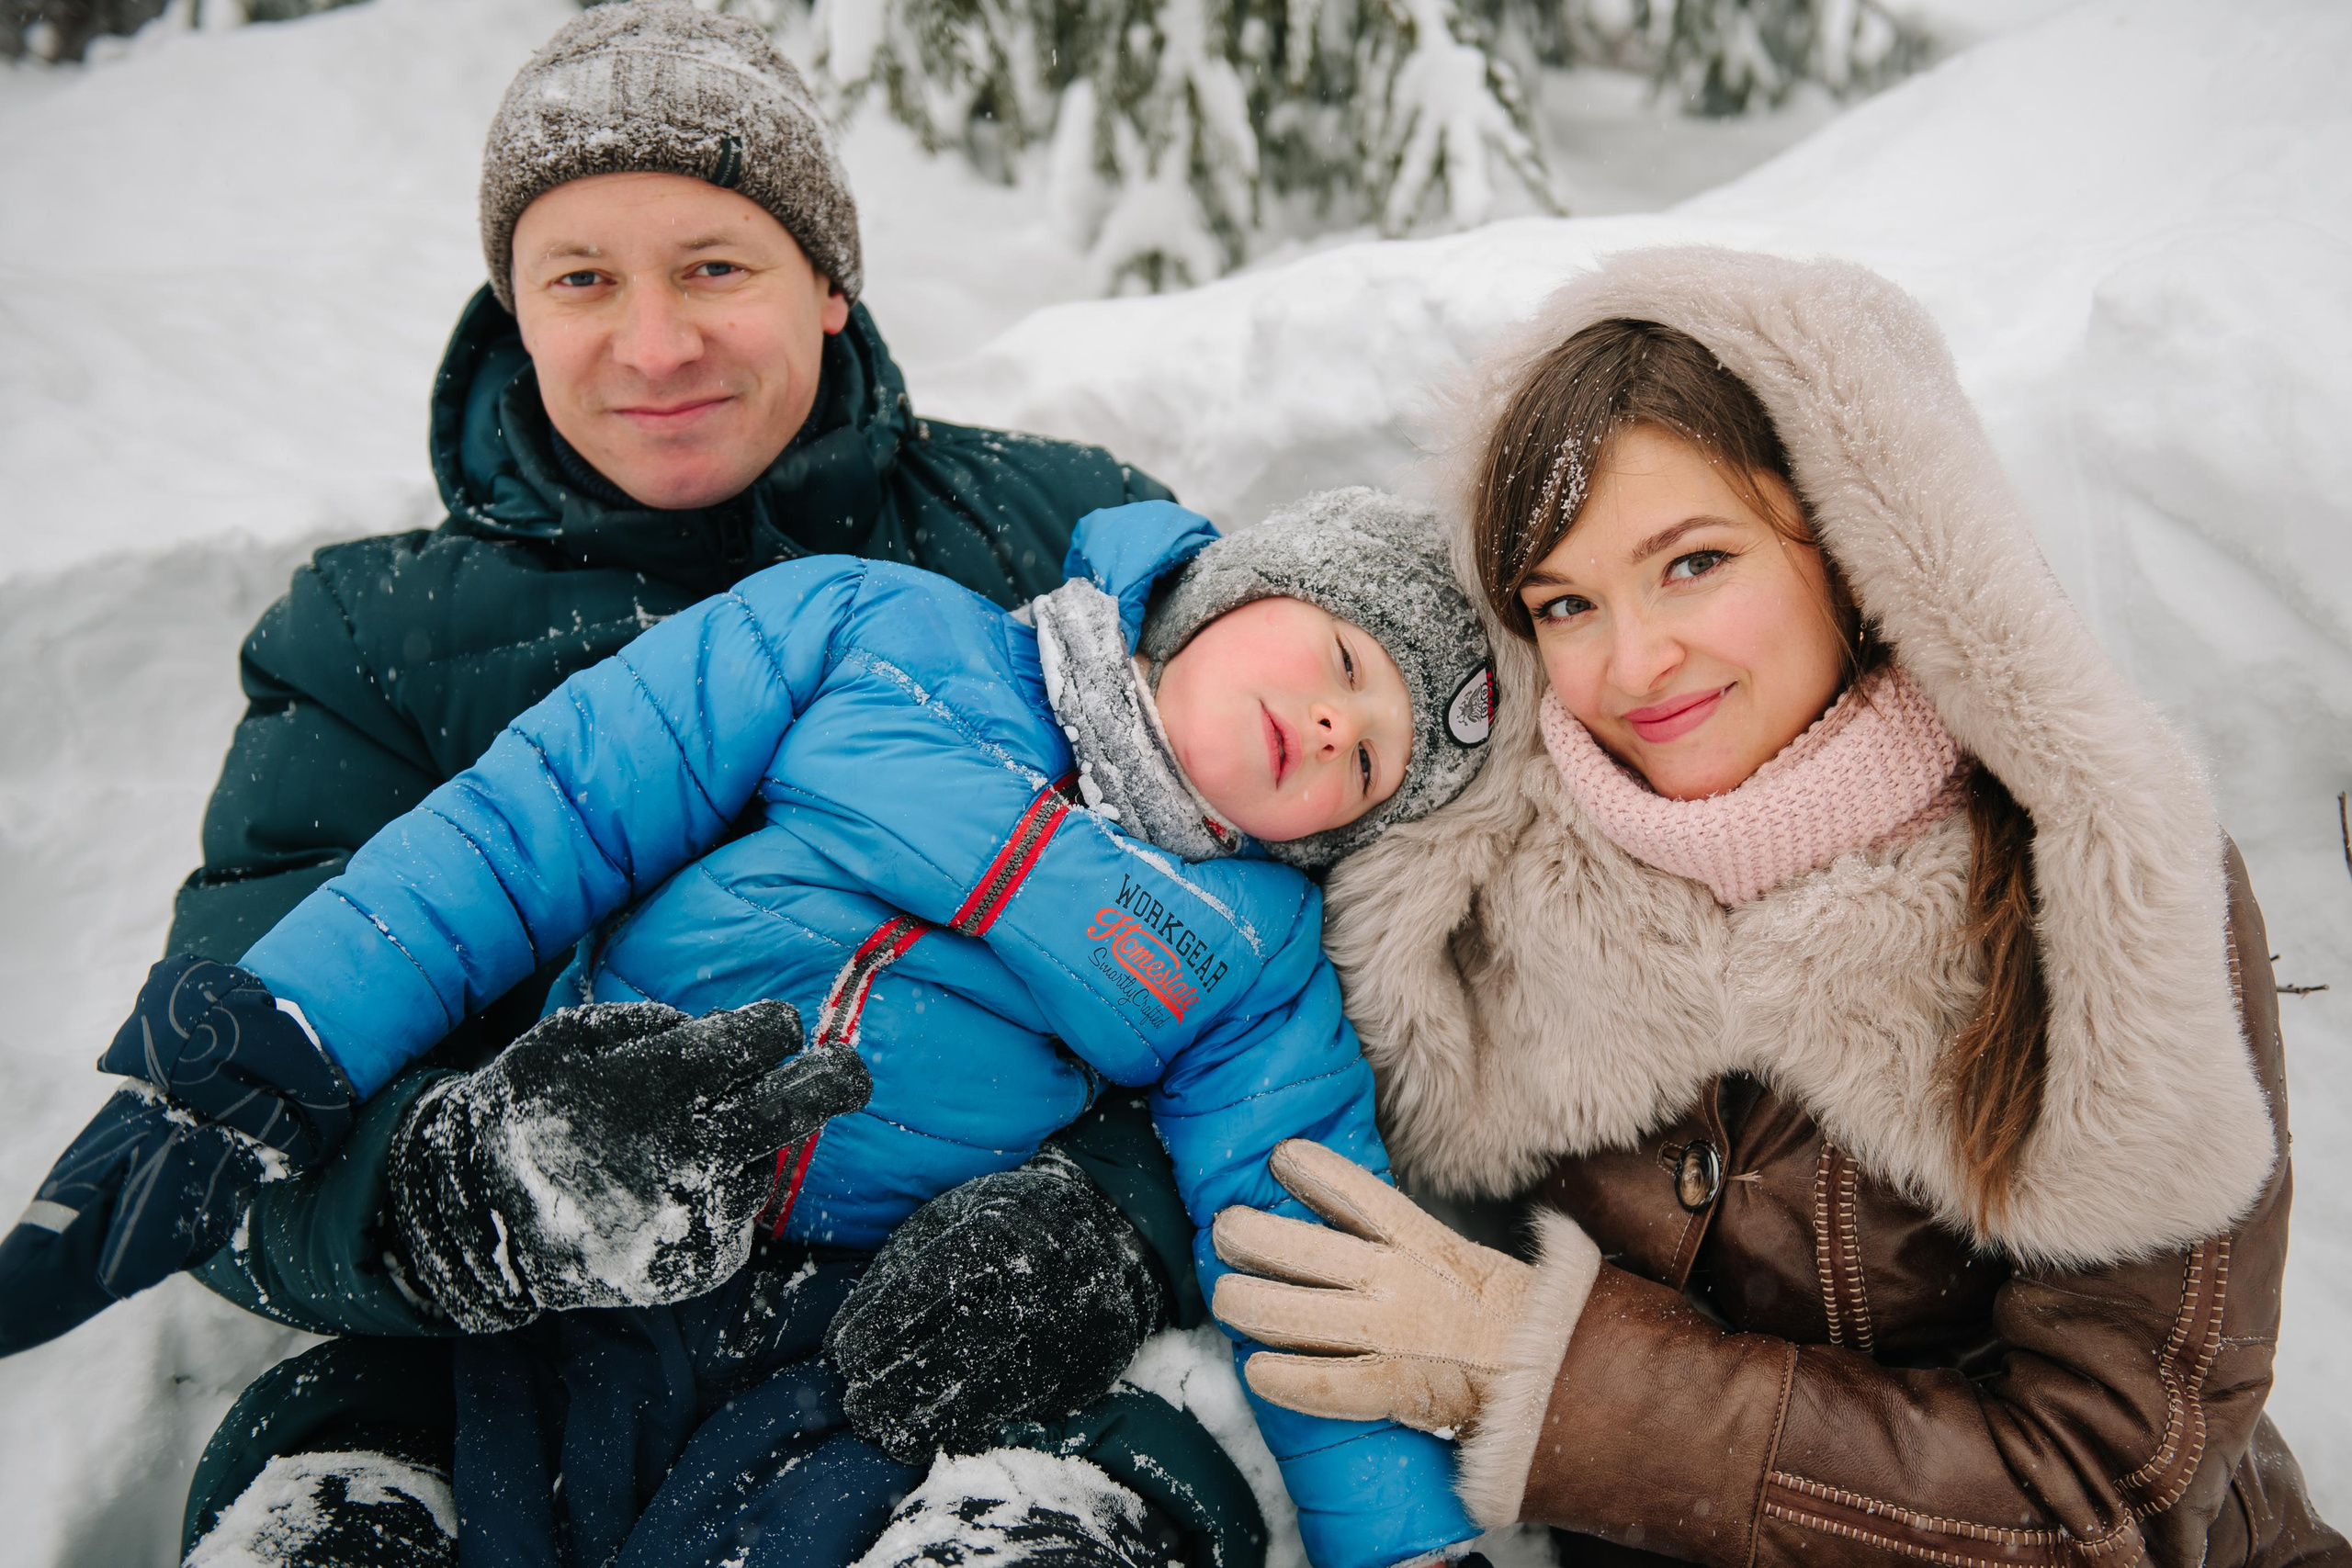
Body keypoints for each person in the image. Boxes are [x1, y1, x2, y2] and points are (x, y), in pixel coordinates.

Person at [17, 488, 1500, 1568]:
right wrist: (275, 1044)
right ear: (1238, 590)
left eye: (1369, 761)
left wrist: (1406, 1547)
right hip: (584, 1217)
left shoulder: (1251, 950)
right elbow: (546, 815)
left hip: (863, 1324)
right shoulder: (874, 632)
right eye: (1343, 664)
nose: (1328, 728)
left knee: (944, 1514)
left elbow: (1301, 1242)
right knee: (403, 1466)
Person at [1207, 249, 2348, 1566]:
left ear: (1861, 543)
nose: (1633, 664)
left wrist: (1548, 1376)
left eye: (1693, 563)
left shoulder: (2098, 876)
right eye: (1565, 602)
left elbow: (2113, 1498)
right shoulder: (1471, 868)